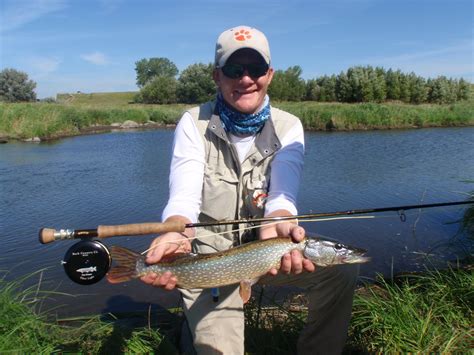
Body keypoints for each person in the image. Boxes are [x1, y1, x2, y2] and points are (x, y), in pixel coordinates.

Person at [141, 25, 359, 354]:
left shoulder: (289, 127)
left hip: (265, 255)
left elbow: (282, 198)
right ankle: (195, 325)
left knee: (343, 270)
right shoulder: (193, 124)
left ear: (269, 74)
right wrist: (175, 234)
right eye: (234, 69)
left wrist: (281, 222)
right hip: (206, 262)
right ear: (217, 76)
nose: (246, 79)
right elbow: (183, 199)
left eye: (255, 69)